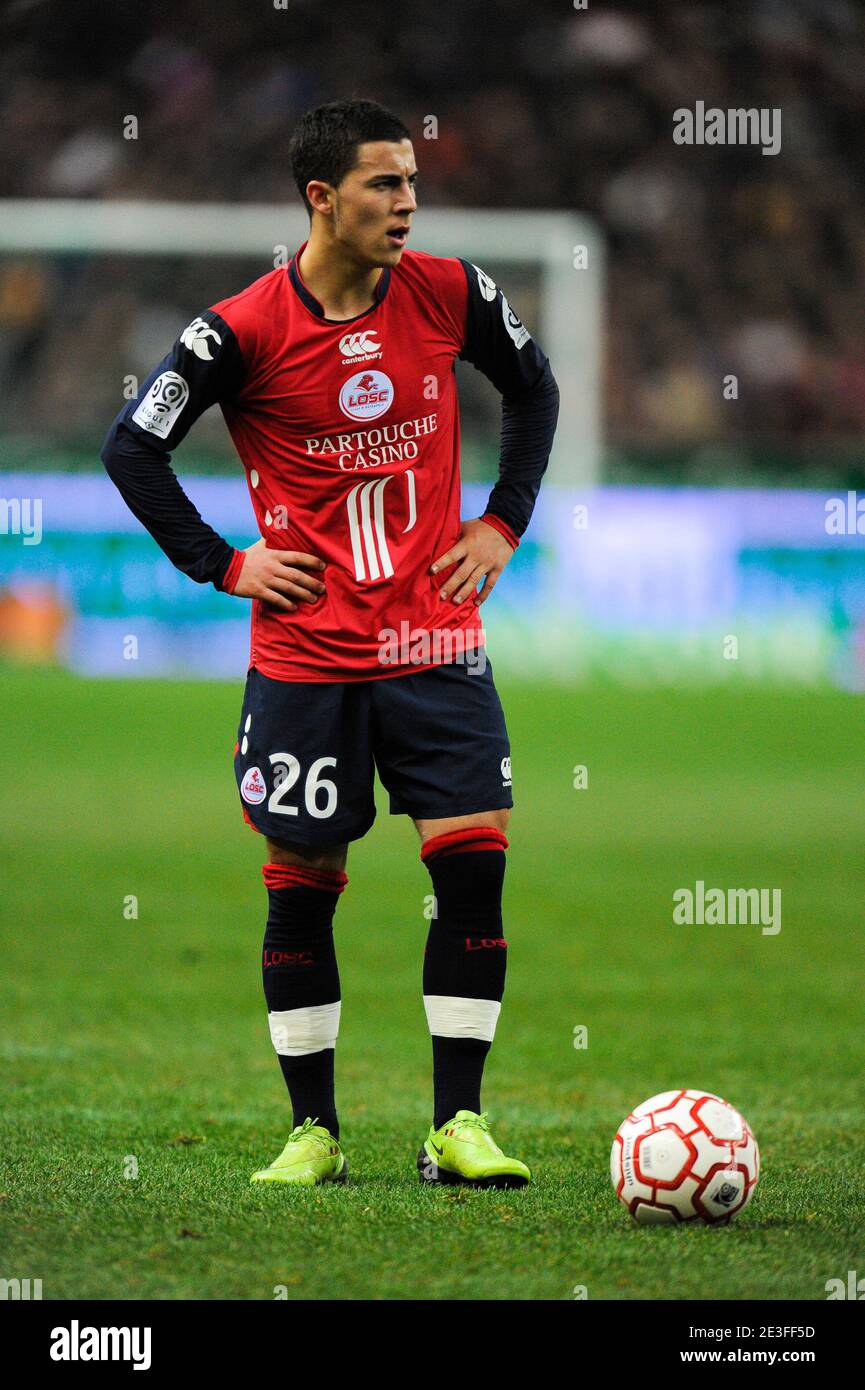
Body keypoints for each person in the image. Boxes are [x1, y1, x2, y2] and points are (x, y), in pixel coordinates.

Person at [101, 99, 558, 1189]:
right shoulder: (239, 329)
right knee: (303, 884)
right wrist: (224, 563)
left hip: (435, 642)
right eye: (383, 185)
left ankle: (459, 1126)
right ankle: (314, 1130)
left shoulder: (451, 291)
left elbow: (531, 389)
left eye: (410, 182)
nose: (408, 202)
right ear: (323, 198)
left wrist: (501, 520)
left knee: (474, 872)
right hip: (306, 659)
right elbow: (133, 449)